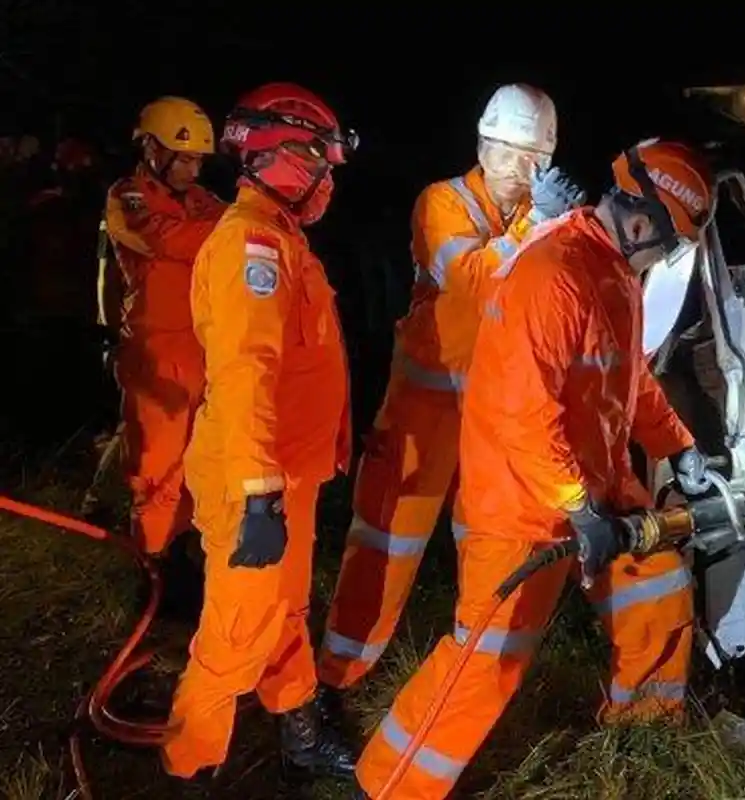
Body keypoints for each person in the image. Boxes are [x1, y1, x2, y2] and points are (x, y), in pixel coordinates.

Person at [350, 138, 719, 800]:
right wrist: (579, 511)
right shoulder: (553, 275)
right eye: (671, 243)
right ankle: (388, 786)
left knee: (656, 596)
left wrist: (679, 447)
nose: (668, 258)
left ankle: (641, 740)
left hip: (596, 490)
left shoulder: (614, 275)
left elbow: (628, 377)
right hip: (524, 508)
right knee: (484, 663)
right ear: (642, 222)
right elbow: (524, 417)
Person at [316, 84, 584, 706]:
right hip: (424, 408)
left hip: (492, 413)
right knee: (387, 539)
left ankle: (470, 676)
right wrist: (543, 227)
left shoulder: (535, 218)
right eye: (510, 154)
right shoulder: (442, 202)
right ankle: (336, 677)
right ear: (483, 145)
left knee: (490, 540)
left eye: (533, 159)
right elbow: (467, 283)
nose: (521, 171)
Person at [160, 82, 359, 783]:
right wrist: (255, 495)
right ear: (280, 156)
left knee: (285, 610)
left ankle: (299, 733)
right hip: (256, 478)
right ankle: (191, 767)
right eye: (319, 161)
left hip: (284, 476)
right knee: (235, 634)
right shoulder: (253, 246)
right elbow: (247, 375)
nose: (327, 178)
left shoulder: (280, 240)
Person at [101, 97, 227, 619]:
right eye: (184, 158)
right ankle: (153, 577)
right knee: (156, 471)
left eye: (199, 160)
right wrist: (232, 232)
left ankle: (187, 563)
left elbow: (228, 232)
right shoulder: (128, 197)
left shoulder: (203, 201)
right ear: (152, 148)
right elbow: (165, 239)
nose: (193, 169)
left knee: (201, 465)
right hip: (155, 355)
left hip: (205, 350)